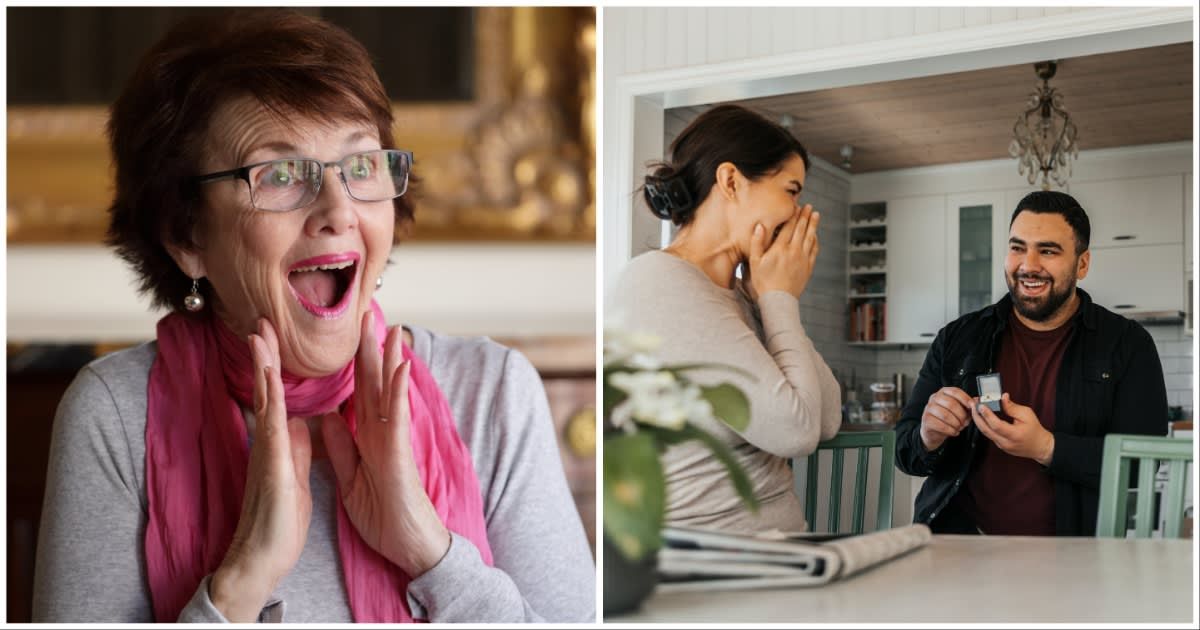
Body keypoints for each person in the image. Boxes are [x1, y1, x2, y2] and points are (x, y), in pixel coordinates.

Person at [31, 10, 594, 623]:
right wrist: (243, 578)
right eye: (278, 174)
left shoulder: (492, 393)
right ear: (186, 232)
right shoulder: (114, 417)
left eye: (360, 166)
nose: (338, 210)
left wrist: (430, 552)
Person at [607, 105, 841, 534]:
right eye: (791, 191)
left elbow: (826, 418)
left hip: (775, 559)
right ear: (731, 181)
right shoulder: (659, 283)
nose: (799, 214)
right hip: (710, 569)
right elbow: (798, 432)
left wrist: (771, 298)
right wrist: (778, 296)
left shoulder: (743, 294)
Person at [894, 190, 1168, 536]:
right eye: (1017, 247)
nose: (1028, 265)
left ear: (1082, 264)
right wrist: (928, 435)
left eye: (1048, 250)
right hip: (958, 546)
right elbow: (905, 452)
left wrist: (1047, 447)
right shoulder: (956, 338)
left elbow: (1144, 463)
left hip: (1073, 556)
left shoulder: (1128, 344)